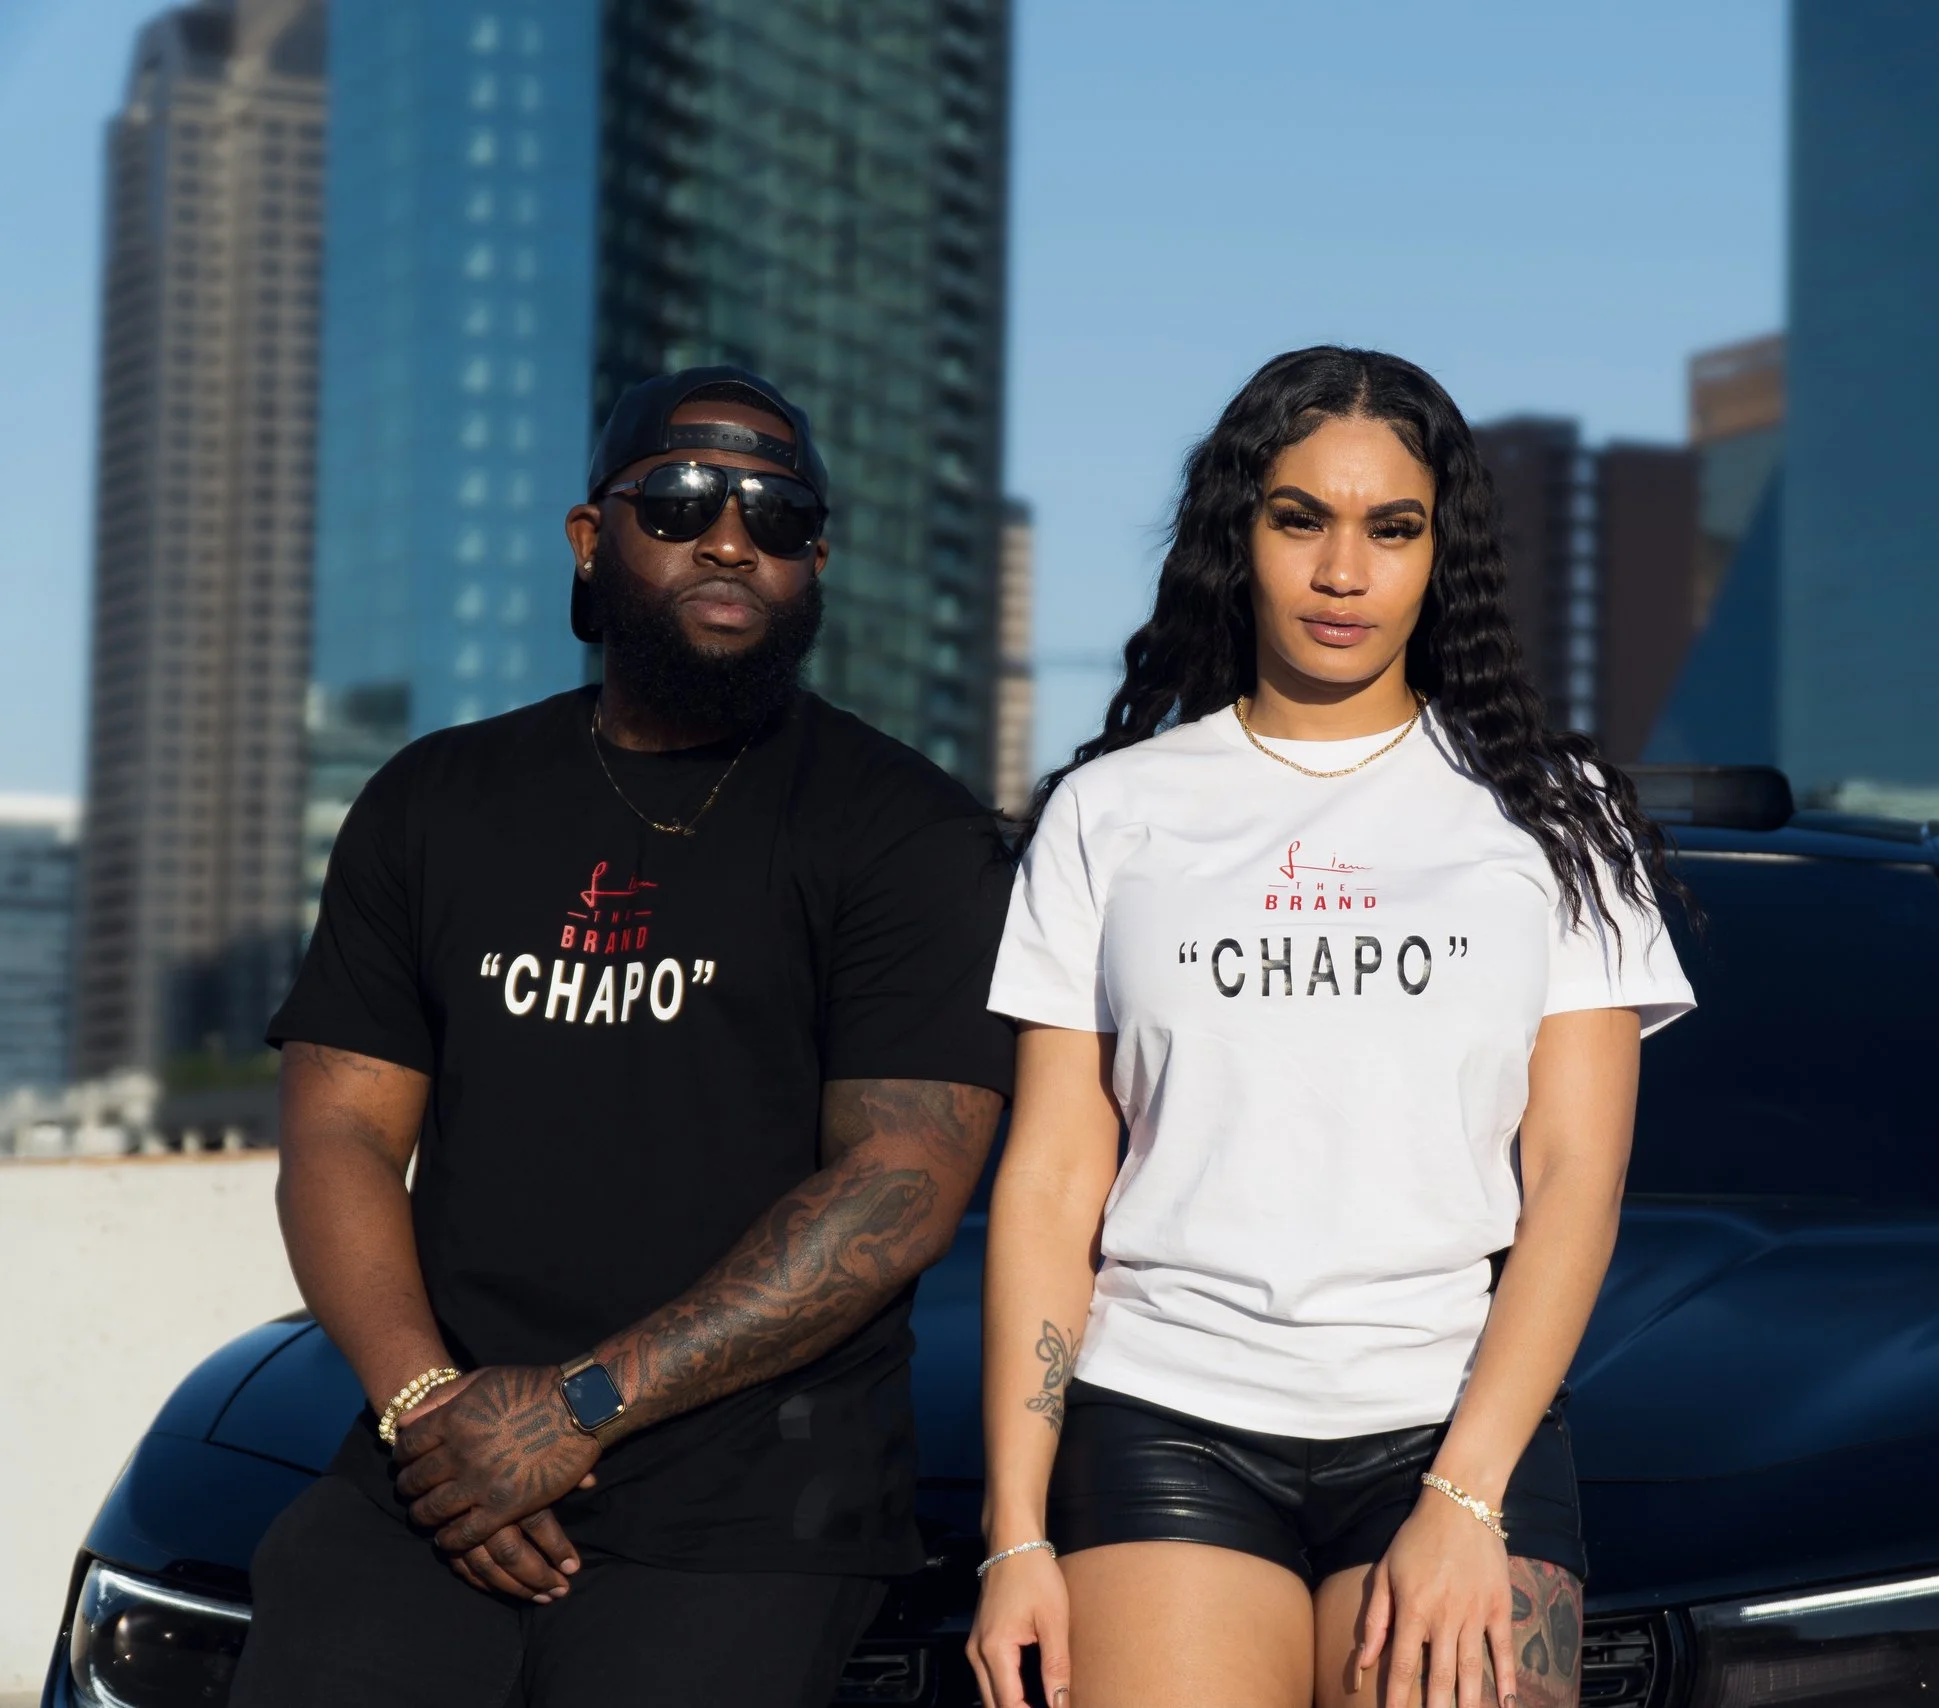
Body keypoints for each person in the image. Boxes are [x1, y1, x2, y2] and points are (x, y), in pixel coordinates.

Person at [230, 366, 1016, 1708]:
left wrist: (572, 1410)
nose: (730, 539)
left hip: (755, 1505)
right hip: (436, 1475)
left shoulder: (907, 830)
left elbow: (901, 1182)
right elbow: (342, 1130)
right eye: (683, 500)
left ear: (814, 562)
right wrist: (432, 1410)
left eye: (776, 517)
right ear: (593, 538)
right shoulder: (437, 801)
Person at [968, 347, 1695, 1708]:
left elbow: (1575, 1185)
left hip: (1449, 1419)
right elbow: (1054, 1179)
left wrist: (1468, 1497)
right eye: (1300, 518)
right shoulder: (1113, 813)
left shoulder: (1549, 813)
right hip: (1163, 1417)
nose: (1343, 571)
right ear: (1237, 538)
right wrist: (1014, 1527)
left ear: (1442, 554)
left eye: (1391, 528)